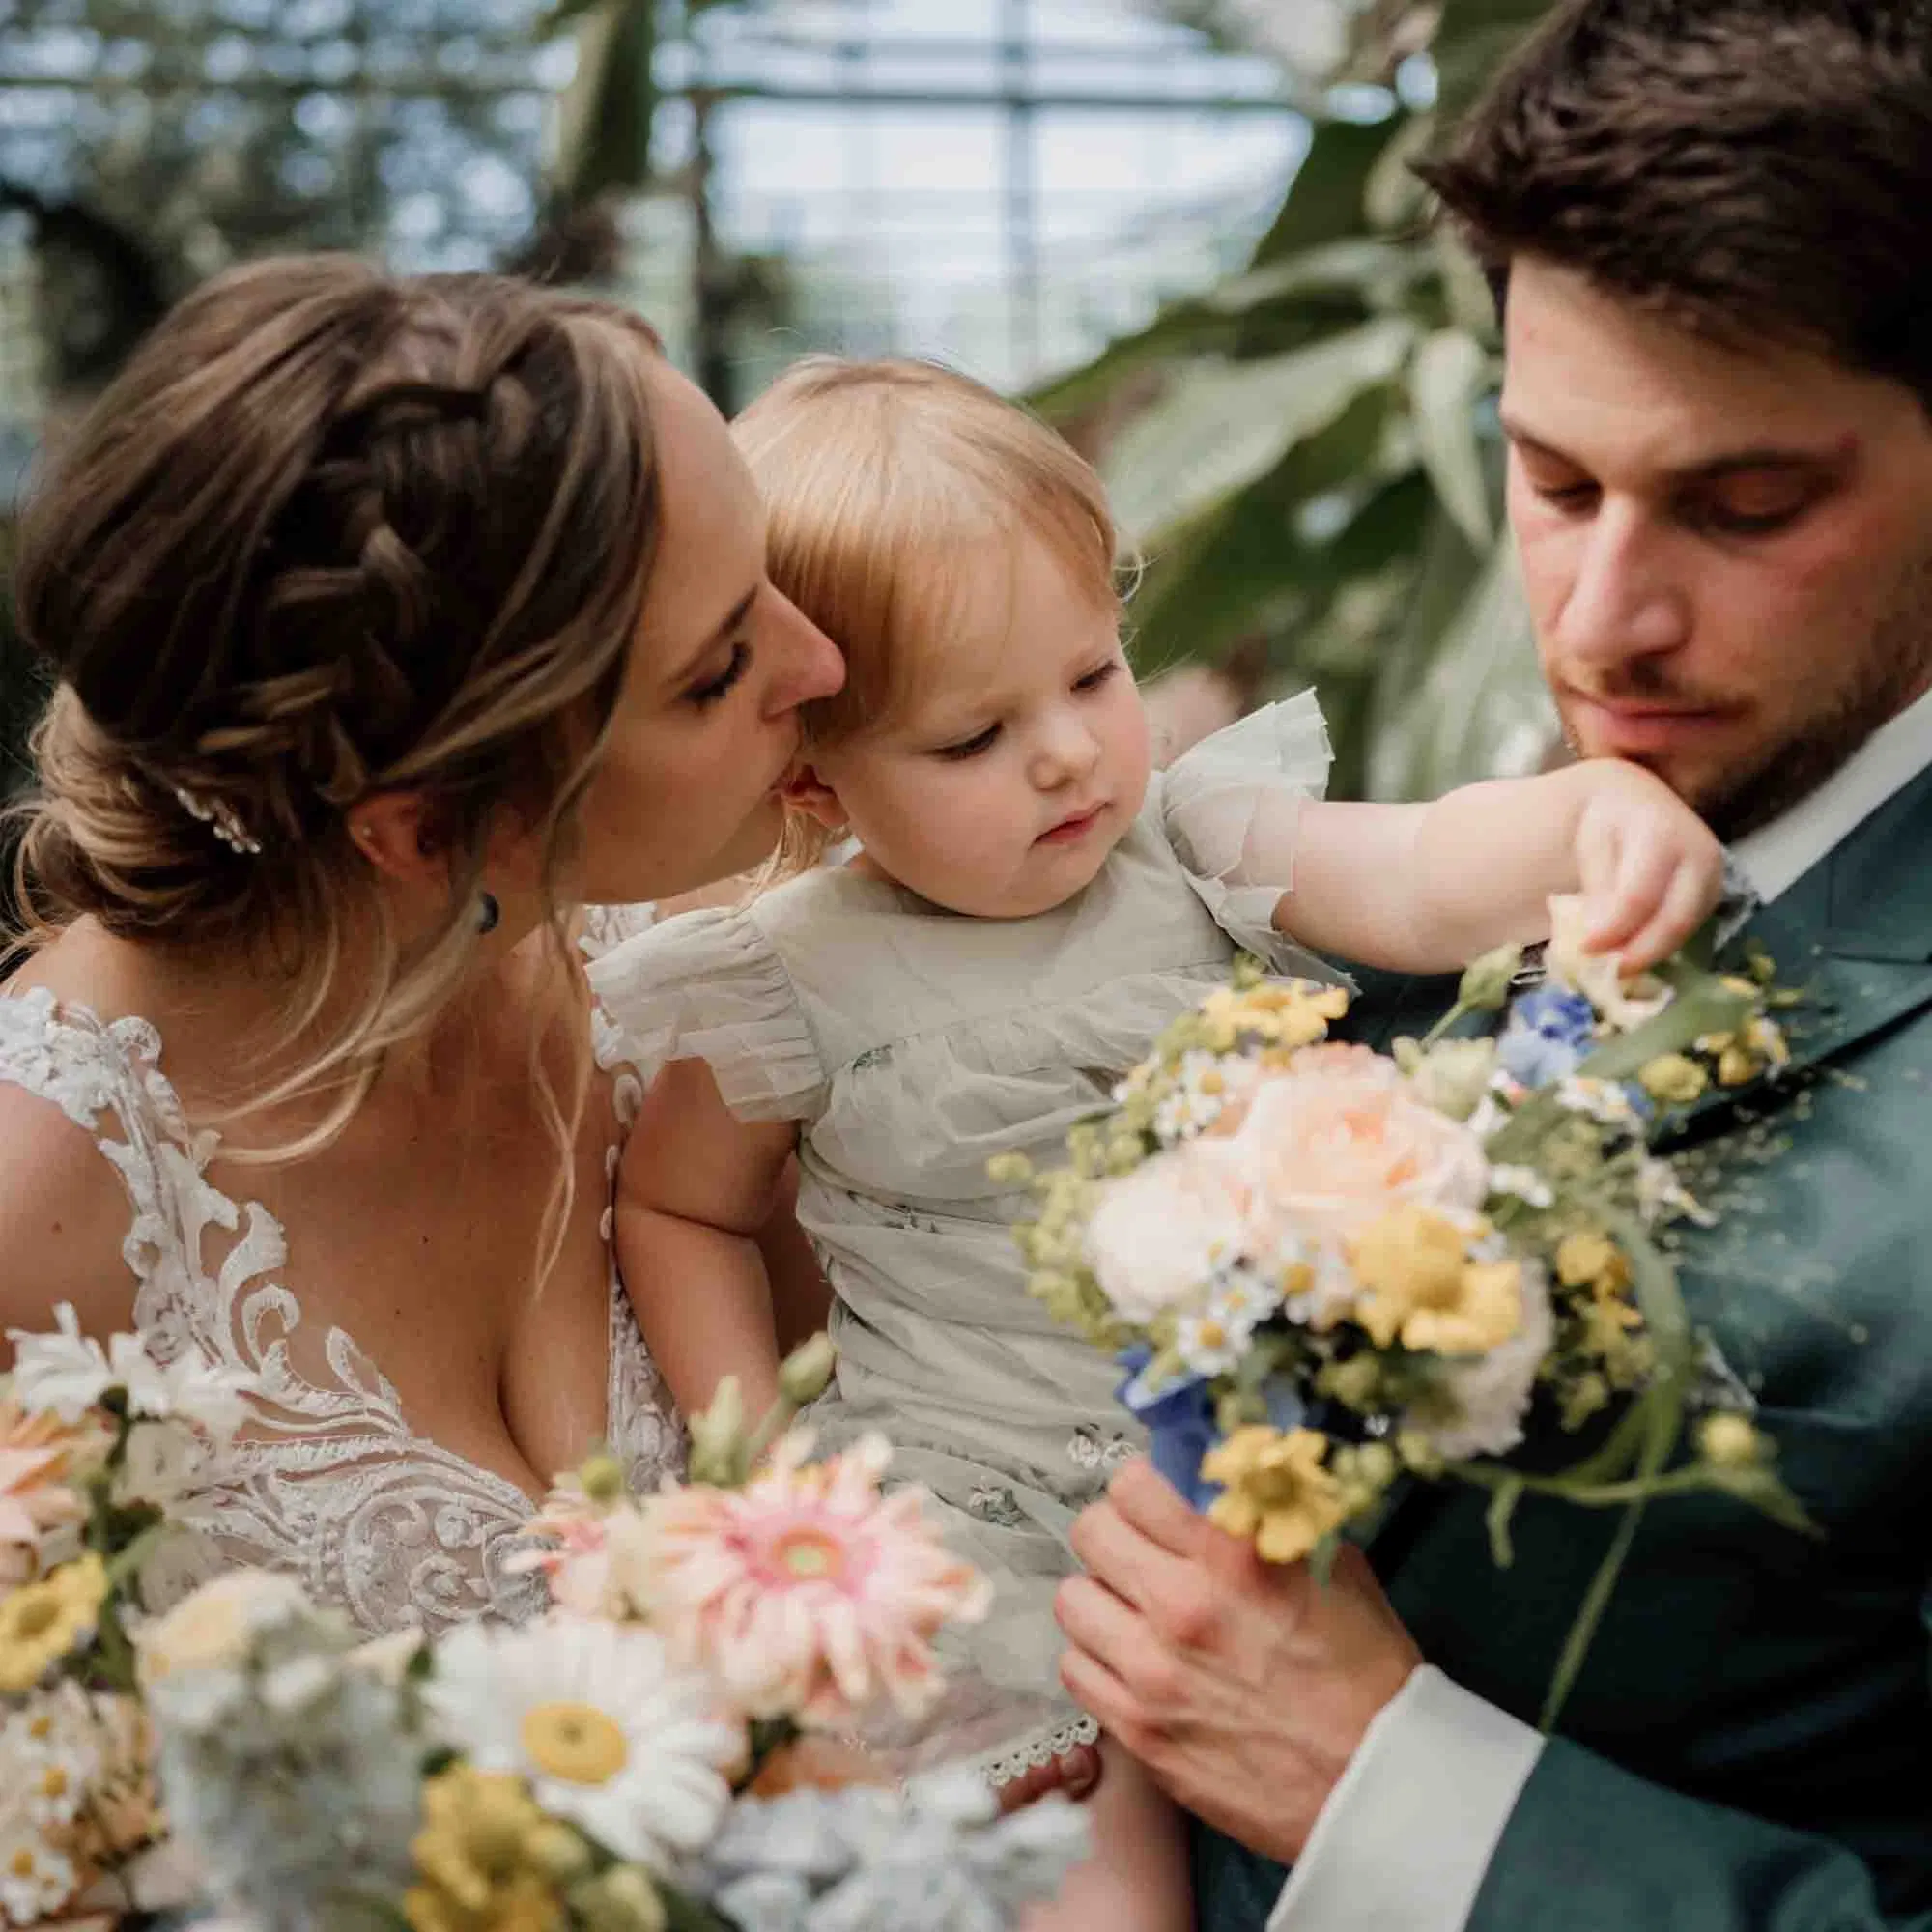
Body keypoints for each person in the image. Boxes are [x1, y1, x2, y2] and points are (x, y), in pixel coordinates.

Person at [585, 356, 1724, 1930]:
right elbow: (684, 1214)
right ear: (811, 772)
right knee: (1109, 1907)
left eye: (1092, 673)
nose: (1065, 754)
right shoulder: (790, 977)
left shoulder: (1189, 842)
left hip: (1284, 1497)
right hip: (988, 1542)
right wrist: (768, 1497)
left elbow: (1416, 867)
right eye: (971, 738)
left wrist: (1589, 817)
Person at [1054, 1, 1932, 1925]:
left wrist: (1395, 1794)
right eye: (1549, 484)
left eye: (1746, 505)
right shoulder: (1429, 891)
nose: (1602, 621)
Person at [0, 256, 845, 1635]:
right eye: (718, 671)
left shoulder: (711, 959)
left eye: (773, 580)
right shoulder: (35, 1211)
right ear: (430, 832)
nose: (824, 665)